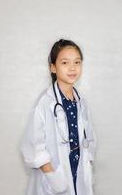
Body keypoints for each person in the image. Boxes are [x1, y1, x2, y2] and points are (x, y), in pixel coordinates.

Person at [20, 39, 97, 195]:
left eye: (77, 62)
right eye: (64, 63)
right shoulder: (46, 102)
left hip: (78, 170)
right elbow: (33, 145)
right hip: (55, 176)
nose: (72, 68)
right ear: (53, 68)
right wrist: (52, 175)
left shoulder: (81, 102)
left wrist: (87, 162)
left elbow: (89, 139)